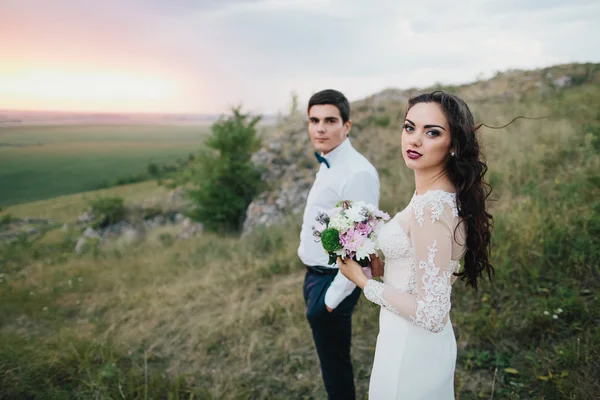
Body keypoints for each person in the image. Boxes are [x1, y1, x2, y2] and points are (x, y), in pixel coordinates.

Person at [337, 91, 494, 399]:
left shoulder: (430, 208)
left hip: (412, 348)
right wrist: (386, 268)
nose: (414, 140)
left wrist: (362, 283)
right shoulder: (440, 194)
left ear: (454, 145)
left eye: (432, 132)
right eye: (409, 127)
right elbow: (433, 270)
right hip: (411, 339)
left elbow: (432, 313)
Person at [299, 89, 380, 399]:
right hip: (314, 277)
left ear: (347, 126)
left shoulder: (358, 173)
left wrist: (330, 301)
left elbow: (361, 245)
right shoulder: (330, 160)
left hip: (332, 283)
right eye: (314, 120)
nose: (320, 128)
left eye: (330, 120)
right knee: (331, 364)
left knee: (336, 371)